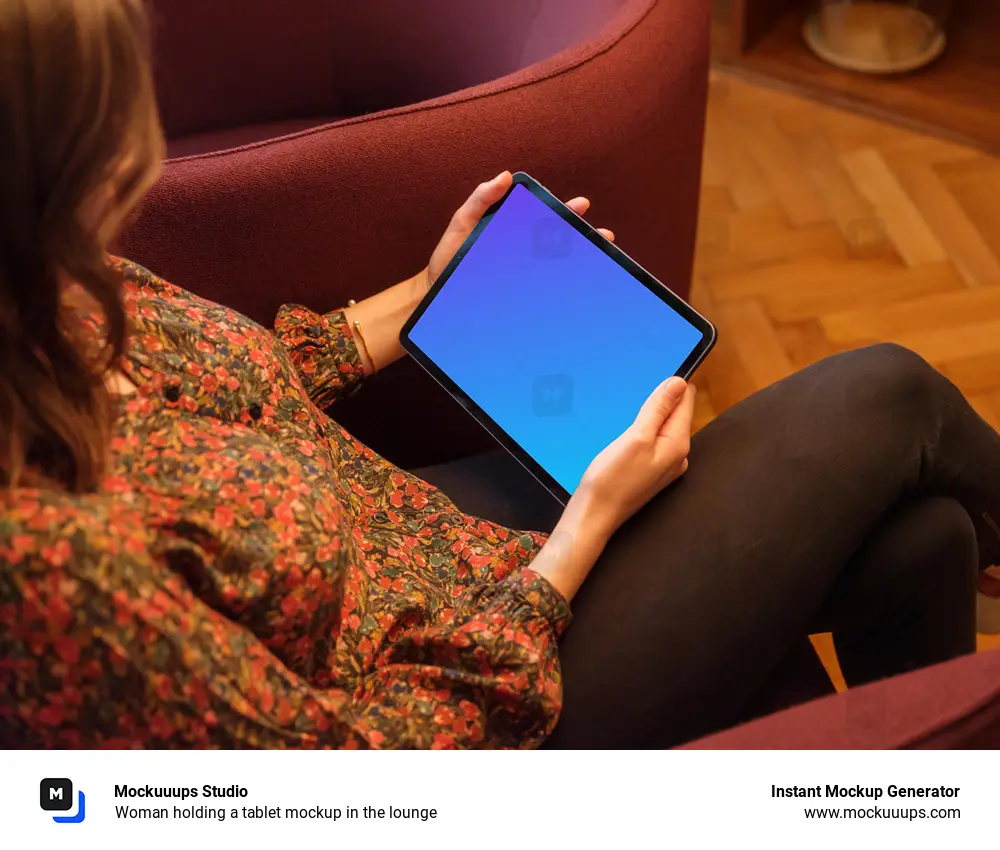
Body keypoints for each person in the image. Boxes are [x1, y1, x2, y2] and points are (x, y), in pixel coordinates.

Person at [1, 0, 999, 750]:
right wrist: (585, 530)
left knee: (922, 540)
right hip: (482, 697)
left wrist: (431, 292)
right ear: (53, 159)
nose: (145, 130)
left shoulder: (50, 288)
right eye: (116, 101)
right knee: (888, 392)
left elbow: (234, 387)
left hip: (417, 540)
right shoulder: (50, 571)